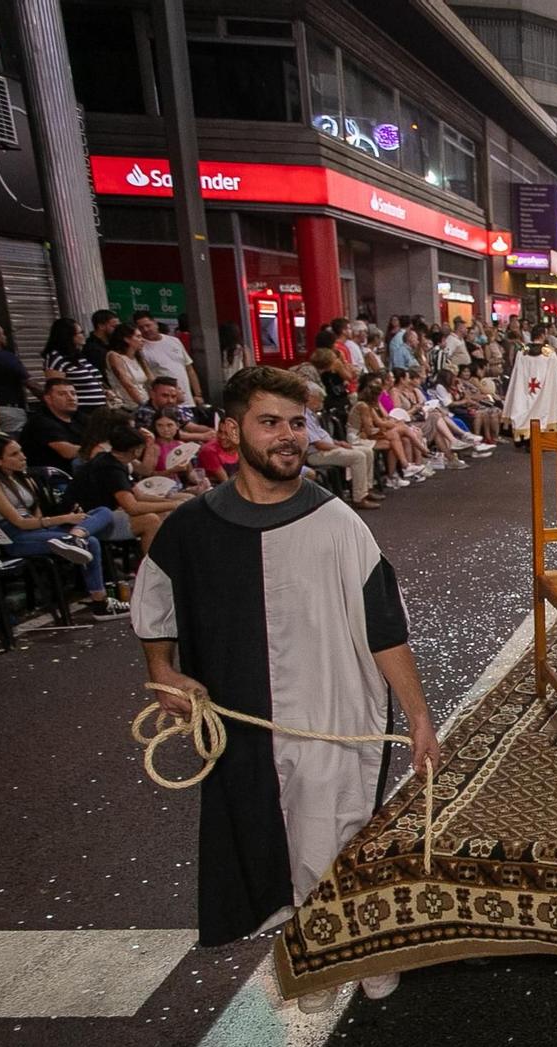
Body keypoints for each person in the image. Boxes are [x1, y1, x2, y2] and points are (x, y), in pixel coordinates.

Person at [131, 365, 441, 1004]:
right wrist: (161, 670)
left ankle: (357, 946)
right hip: (242, 717)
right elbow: (153, 605)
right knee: (274, 834)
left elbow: (385, 625)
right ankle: (319, 957)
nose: (288, 437)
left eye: (297, 423)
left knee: (339, 829)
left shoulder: (338, 523)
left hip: (336, 707)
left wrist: (418, 715)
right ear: (231, 430)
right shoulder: (191, 527)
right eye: (269, 422)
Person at [0, 433, 129, 619]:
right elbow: (19, 522)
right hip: (13, 536)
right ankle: (100, 603)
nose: (23, 456)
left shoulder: (24, 479)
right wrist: (64, 519)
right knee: (91, 541)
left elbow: (37, 516)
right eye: (14, 454)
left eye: (21, 451)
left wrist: (67, 520)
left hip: (38, 529)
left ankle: (75, 536)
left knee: (104, 512)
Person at [68, 410, 189, 548]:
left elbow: (139, 496)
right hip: (90, 520)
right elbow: (133, 507)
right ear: (136, 450)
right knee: (150, 520)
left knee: (165, 512)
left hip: (106, 511)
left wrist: (173, 502)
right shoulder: (110, 467)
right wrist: (175, 505)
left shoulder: (116, 460)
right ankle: (151, 568)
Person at [303, 380, 380, 510]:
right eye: (319, 400)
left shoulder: (312, 415)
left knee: (367, 451)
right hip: (316, 453)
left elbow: (323, 437)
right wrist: (339, 447)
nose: (321, 403)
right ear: (310, 398)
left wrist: (338, 442)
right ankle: (358, 498)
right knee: (358, 456)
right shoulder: (304, 416)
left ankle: (366, 489)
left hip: (328, 447)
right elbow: (318, 443)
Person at [42, 317, 108, 413]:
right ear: (68, 336)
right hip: (81, 411)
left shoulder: (79, 357)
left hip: (99, 410)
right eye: (80, 333)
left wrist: (106, 392)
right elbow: (56, 388)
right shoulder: (56, 359)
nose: (83, 336)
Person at [20, 377, 88, 470]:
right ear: (48, 399)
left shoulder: (79, 417)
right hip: (53, 477)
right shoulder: (41, 421)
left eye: (73, 393)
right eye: (62, 394)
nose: (71, 398)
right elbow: (67, 452)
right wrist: (98, 450)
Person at [135, 311, 201, 405]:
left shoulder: (174, 341)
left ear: (155, 323)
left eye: (148, 325)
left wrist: (198, 394)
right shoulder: (140, 348)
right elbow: (149, 378)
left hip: (187, 398)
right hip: (166, 401)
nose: (145, 330)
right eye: (141, 328)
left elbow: (189, 369)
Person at [107, 327, 150, 409]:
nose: (142, 340)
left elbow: (152, 379)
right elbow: (128, 385)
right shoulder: (114, 356)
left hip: (143, 401)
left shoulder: (138, 357)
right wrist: (143, 406)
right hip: (126, 406)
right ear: (127, 339)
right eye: (138, 336)